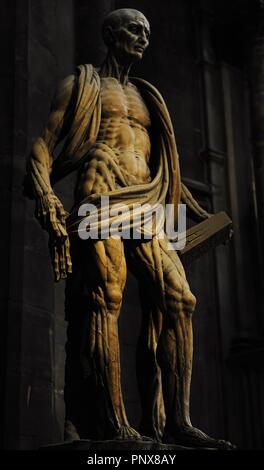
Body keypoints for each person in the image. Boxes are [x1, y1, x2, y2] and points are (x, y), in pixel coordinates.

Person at [26, 8, 233, 448]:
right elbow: (42, 147)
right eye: (134, 30)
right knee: (108, 297)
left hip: (147, 203)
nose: (143, 38)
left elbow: (168, 172)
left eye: (147, 32)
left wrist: (200, 218)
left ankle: (178, 420)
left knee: (181, 299)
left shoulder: (147, 95)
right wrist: (47, 197)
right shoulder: (81, 86)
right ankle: (113, 425)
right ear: (109, 34)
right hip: (99, 199)